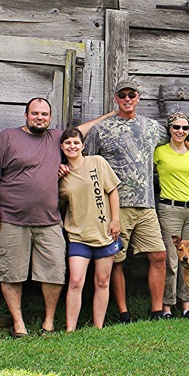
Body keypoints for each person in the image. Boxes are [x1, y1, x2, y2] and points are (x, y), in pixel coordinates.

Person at [85, 79, 189, 320]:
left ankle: (158, 310)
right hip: (116, 207)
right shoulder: (101, 130)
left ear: (138, 97)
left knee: (159, 255)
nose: (127, 99)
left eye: (131, 95)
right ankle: (123, 312)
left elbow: (180, 140)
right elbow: (86, 162)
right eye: (122, 95)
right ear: (116, 98)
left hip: (146, 205)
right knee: (116, 260)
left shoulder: (152, 128)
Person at [0, 98, 78, 337]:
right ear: (25, 115)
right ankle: (19, 324)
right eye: (35, 113)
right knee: (12, 272)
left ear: (50, 118)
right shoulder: (7, 138)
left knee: (54, 271)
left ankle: (49, 323)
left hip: (49, 220)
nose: (40, 117)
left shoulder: (56, 138)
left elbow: (80, 133)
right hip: (11, 218)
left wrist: (116, 112)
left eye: (44, 114)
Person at [58, 126, 122, 330]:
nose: (72, 146)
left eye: (76, 142)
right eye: (68, 143)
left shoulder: (97, 162)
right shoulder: (61, 175)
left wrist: (115, 220)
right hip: (78, 235)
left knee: (102, 281)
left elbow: (112, 190)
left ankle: (98, 327)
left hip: (105, 232)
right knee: (76, 281)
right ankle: (70, 328)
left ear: (82, 146)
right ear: (62, 146)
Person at [154, 111, 189, 318]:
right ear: (169, 129)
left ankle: (186, 304)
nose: (180, 131)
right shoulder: (160, 152)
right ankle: (167, 306)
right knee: (171, 259)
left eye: (185, 128)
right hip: (169, 209)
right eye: (176, 127)